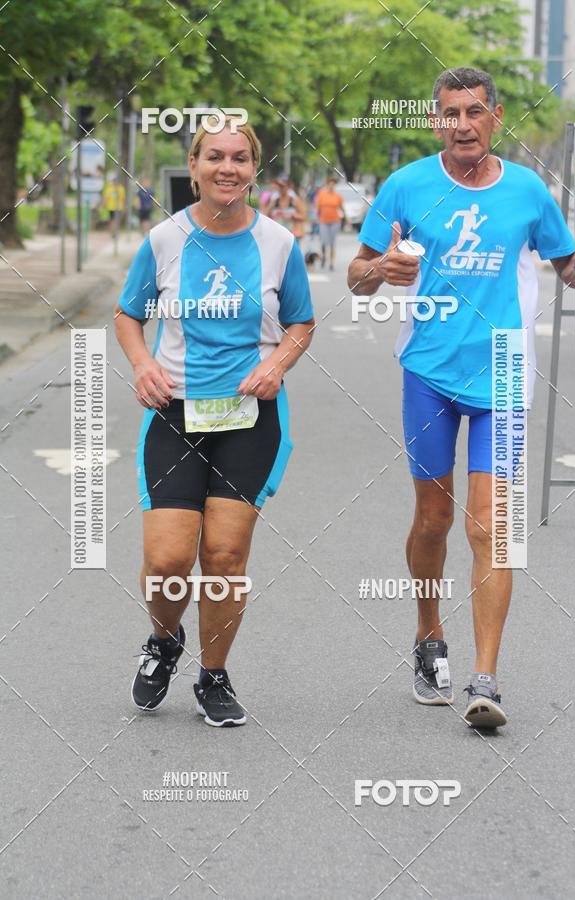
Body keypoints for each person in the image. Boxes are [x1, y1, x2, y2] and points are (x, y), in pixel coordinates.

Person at [347, 66, 575, 728]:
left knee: (490, 525)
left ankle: (485, 680)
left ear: (496, 116)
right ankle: (430, 633)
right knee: (433, 519)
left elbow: (567, 272)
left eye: (474, 112)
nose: (462, 124)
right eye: (450, 112)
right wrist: (380, 268)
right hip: (428, 372)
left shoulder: (527, 192)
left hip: (505, 374)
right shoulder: (405, 186)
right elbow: (357, 277)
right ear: (436, 119)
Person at [114, 117, 315, 726]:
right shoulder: (164, 240)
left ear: (255, 168)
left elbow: (301, 323)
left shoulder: (279, 244)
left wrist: (277, 363)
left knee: (226, 555)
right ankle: (163, 642)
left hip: (250, 418)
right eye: (215, 157)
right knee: (169, 559)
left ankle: (214, 676)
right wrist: (143, 363)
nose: (227, 168)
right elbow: (129, 315)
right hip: (175, 414)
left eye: (240, 158)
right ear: (194, 165)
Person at [316, 176, 346, 271]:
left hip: (335, 221)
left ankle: (331, 263)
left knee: (333, 243)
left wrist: (347, 218)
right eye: (330, 184)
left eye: (333, 184)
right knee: (324, 241)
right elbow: (317, 208)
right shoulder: (321, 195)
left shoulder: (338, 196)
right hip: (323, 221)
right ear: (327, 184)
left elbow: (342, 208)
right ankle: (324, 255)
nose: (331, 186)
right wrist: (316, 219)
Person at [265, 176, 306, 243]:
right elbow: (266, 217)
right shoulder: (274, 201)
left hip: (292, 235)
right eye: (279, 186)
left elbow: (303, 216)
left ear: (288, 187)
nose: (281, 188)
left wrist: (293, 216)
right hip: (278, 235)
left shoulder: (294, 200)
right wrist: (270, 208)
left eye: (283, 186)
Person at [101, 172, 125, 237]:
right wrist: (102, 205)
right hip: (111, 208)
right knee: (112, 221)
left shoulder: (120, 188)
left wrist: (123, 207)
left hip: (118, 207)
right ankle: (113, 232)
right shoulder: (109, 188)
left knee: (115, 221)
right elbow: (105, 198)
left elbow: (122, 198)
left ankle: (115, 232)